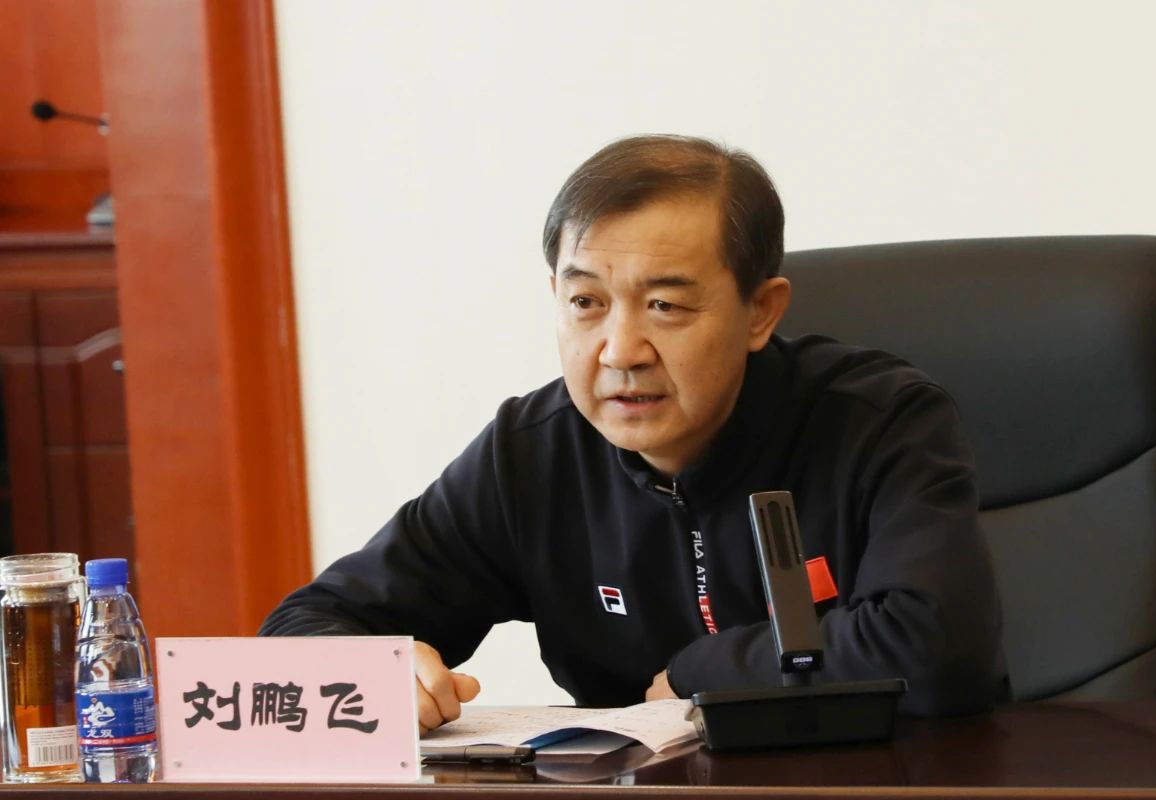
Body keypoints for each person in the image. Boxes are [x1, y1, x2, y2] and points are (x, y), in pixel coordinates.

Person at [260, 134, 1007, 731]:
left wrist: (699, 673)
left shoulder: (879, 422)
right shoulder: (533, 453)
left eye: (665, 307)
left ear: (760, 312)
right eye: (586, 303)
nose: (619, 350)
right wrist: (368, 674)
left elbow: (938, 649)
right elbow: (304, 625)